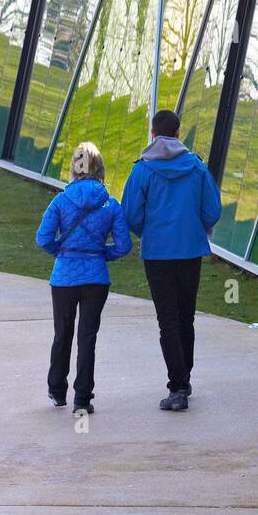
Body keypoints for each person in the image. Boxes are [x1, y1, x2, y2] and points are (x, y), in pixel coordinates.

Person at [121, 108, 222, 412]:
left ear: (153, 133)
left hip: (158, 253)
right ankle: (184, 378)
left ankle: (177, 386)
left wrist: (149, 232)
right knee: (185, 316)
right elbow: (213, 211)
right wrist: (195, 227)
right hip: (190, 251)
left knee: (167, 320)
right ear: (179, 133)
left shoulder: (143, 170)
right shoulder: (197, 167)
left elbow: (130, 214)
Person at [36, 142, 132, 417]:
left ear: (74, 167)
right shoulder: (110, 204)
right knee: (87, 336)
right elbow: (124, 245)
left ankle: (57, 391)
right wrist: (103, 255)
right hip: (96, 277)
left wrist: (62, 252)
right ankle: (82, 397)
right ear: (100, 168)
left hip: (64, 276)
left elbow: (43, 238)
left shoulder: (61, 200)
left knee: (62, 333)